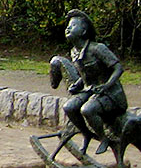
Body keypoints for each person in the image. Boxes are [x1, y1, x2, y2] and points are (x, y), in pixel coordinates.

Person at [48, 9, 127, 153]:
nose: (68, 28)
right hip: (90, 90)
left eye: (72, 26)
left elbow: (118, 68)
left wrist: (106, 86)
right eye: (68, 26)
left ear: (84, 31)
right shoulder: (74, 52)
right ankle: (86, 133)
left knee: (87, 109)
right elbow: (84, 74)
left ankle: (104, 138)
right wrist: (77, 84)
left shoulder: (98, 49)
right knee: (69, 107)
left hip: (110, 94)